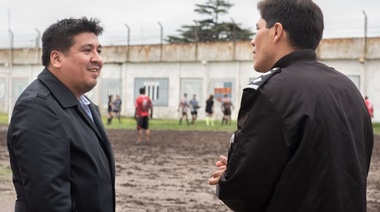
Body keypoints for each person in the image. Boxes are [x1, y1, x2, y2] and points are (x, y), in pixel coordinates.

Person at [208, 1, 374, 211]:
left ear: (276, 31)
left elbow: (245, 192)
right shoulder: (347, 88)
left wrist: (231, 176)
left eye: (258, 29)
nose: (252, 41)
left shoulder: (272, 92)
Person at [7, 17, 116, 211]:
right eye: (87, 50)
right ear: (56, 58)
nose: (98, 59)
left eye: (98, 51)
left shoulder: (84, 104)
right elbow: (50, 201)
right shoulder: (37, 108)